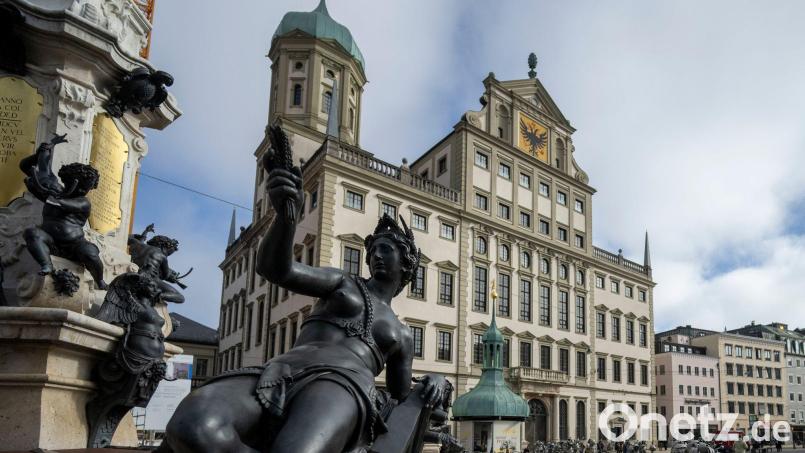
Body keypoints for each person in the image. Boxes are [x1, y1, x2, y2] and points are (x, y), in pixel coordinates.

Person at [159, 154, 449, 453]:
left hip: (343, 384)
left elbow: (402, 396)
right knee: (191, 425)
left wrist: (437, 379)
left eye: (386, 250)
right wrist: (286, 217)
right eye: (373, 249)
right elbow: (278, 270)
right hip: (280, 369)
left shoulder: (401, 334)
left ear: (407, 264)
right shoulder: (342, 282)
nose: (376, 254)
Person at [21, 145, 107, 290]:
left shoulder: (83, 202)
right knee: (32, 233)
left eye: (88, 188)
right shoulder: (55, 190)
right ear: (69, 181)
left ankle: (100, 280)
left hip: (75, 245)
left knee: (91, 255)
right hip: (50, 240)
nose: (85, 191)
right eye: (83, 187)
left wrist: (40, 190)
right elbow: (27, 166)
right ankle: (46, 264)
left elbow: (59, 203)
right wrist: (43, 152)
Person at [128, 223, 185, 304]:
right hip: (150, 279)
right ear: (163, 246)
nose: (167, 255)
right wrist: (172, 278)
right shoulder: (162, 257)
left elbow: (136, 239)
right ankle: (157, 295)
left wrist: (145, 232)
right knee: (180, 298)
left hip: (135, 273)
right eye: (168, 252)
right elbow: (165, 275)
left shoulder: (139, 245)